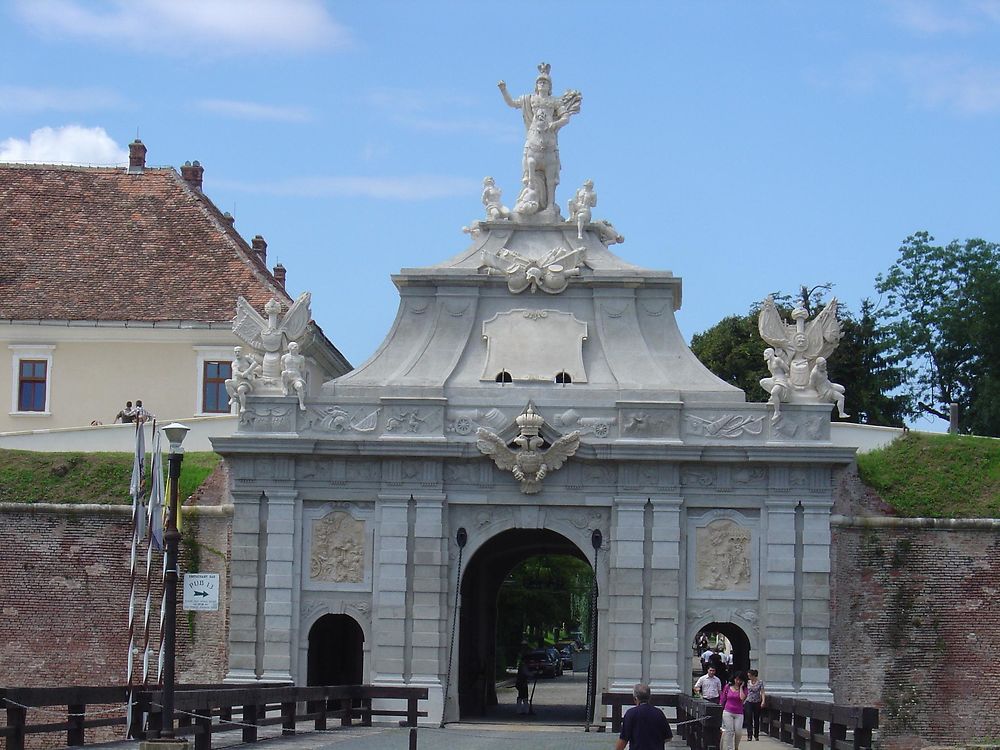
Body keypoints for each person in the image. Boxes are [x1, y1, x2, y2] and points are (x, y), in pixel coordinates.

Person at [498, 62, 582, 217]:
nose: (542, 84)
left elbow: (566, 118)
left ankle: (550, 205)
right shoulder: (529, 99)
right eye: (539, 82)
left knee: (551, 174)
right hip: (533, 136)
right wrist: (504, 90)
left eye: (545, 82)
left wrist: (555, 124)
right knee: (528, 158)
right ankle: (529, 183)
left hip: (549, 139)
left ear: (549, 86)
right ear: (536, 85)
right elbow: (511, 103)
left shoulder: (555, 101)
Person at [616, 682, 672, 750]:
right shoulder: (659, 713)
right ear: (649, 697)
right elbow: (668, 737)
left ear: (635, 698)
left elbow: (623, 740)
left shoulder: (630, 714)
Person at [759, 347, 791, 421]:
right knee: (763, 382)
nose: (765, 355)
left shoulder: (777, 360)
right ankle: (775, 397)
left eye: (766, 353)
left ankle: (777, 412)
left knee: (774, 392)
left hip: (781, 379)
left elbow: (787, 369)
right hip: (774, 379)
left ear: (771, 353)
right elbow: (772, 373)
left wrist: (787, 377)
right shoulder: (768, 362)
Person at [720, 673, 748, 750]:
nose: (738, 681)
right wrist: (720, 707)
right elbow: (723, 698)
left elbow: (742, 698)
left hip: (739, 712)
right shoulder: (727, 687)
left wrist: (741, 688)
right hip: (728, 711)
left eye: (740, 680)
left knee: (738, 731)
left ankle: (736, 747)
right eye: (736, 679)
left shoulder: (745, 689)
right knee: (729, 731)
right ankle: (730, 748)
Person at [743, 669, 765, 741]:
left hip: (757, 702)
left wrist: (763, 701)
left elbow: (762, 692)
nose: (749, 677)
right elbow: (745, 691)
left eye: (750, 675)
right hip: (749, 701)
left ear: (753, 675)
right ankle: (749, 735)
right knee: (749, 718)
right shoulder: (748, 682)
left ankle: (756, 734)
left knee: (756, 718)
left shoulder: (760, 682)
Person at [515, 649, 532, 716]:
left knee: (521, 696)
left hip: (521, 682)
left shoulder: (522, 665)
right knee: (524, 696)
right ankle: (524, 710)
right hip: (522, 683)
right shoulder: (523, 665)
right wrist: (533, 674)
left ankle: (522, 710)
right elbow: (526, 673)